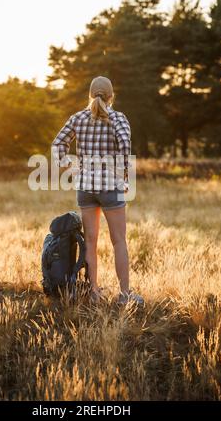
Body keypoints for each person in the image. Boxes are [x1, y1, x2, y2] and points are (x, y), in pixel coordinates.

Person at [51, 76, 144, 305]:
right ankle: (124, 295)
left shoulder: (78, 118)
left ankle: (93, 292)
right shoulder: (118, 118)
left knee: (90, 242)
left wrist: (71, 167)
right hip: (110, 186)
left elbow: (58, 144)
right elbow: (124, 142)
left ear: (90, 95)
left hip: (85, 187)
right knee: (119, 241)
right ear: (111, 96)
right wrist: (122, 172)